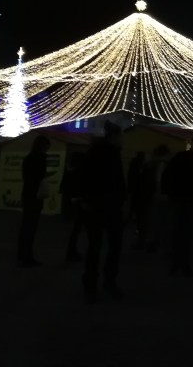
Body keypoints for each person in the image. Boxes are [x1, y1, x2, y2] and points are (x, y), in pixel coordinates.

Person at [82, 122, 127, 303]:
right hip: (103, 206)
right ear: (114, 136)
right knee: (105, 246)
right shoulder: (106, 153)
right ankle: (101, 283)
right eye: (120, 136)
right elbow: (91, 178)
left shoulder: (103, 152)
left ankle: (94, 284)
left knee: (98, 246)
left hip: (102, 206)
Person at [163, 134, 193, 276]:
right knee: (180, 231)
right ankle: (180, 262)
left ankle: (181, 262)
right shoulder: (188, 159)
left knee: (184, 232)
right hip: (182, 199)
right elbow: (169, 174)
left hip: (187, 199)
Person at [17, 134, 52, 268]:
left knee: (26, 226)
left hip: (28, 195)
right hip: (35, 196)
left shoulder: (29, 158)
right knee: (31, 227)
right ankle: (27, 256)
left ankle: (22, 254)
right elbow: (39, 177)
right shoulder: (40, 159)